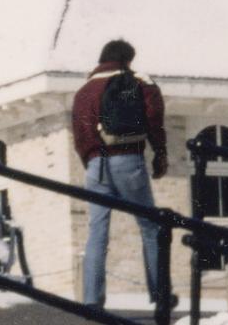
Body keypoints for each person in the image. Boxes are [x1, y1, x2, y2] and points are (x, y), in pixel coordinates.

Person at [70, 38, 169, 310]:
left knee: (97, 230)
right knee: (149, 226)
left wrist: (90, 160)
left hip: (95, 166)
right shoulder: (136, 82)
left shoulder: (83, 92)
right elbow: (153, 118)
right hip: (128, 159)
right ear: (127, 59)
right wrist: (160, 153)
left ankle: (92, 299)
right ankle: (160, 294)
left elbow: (79, 136)